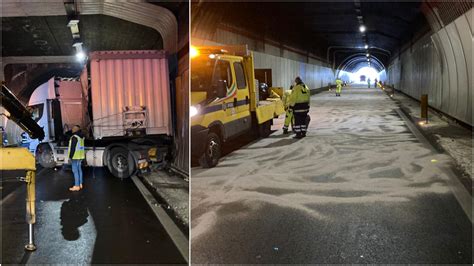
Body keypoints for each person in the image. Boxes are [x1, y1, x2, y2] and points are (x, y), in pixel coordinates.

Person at [68, 125, 85, 191]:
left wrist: (70, 157)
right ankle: (80, 183)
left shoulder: (74, 137)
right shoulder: (81, 137)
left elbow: (73, 148)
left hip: (75, 157)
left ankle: (77, 186)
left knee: (75, 171)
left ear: (75, 129)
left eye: (73, 128)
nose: (72, 129)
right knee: (79, 170)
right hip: (80, 156)